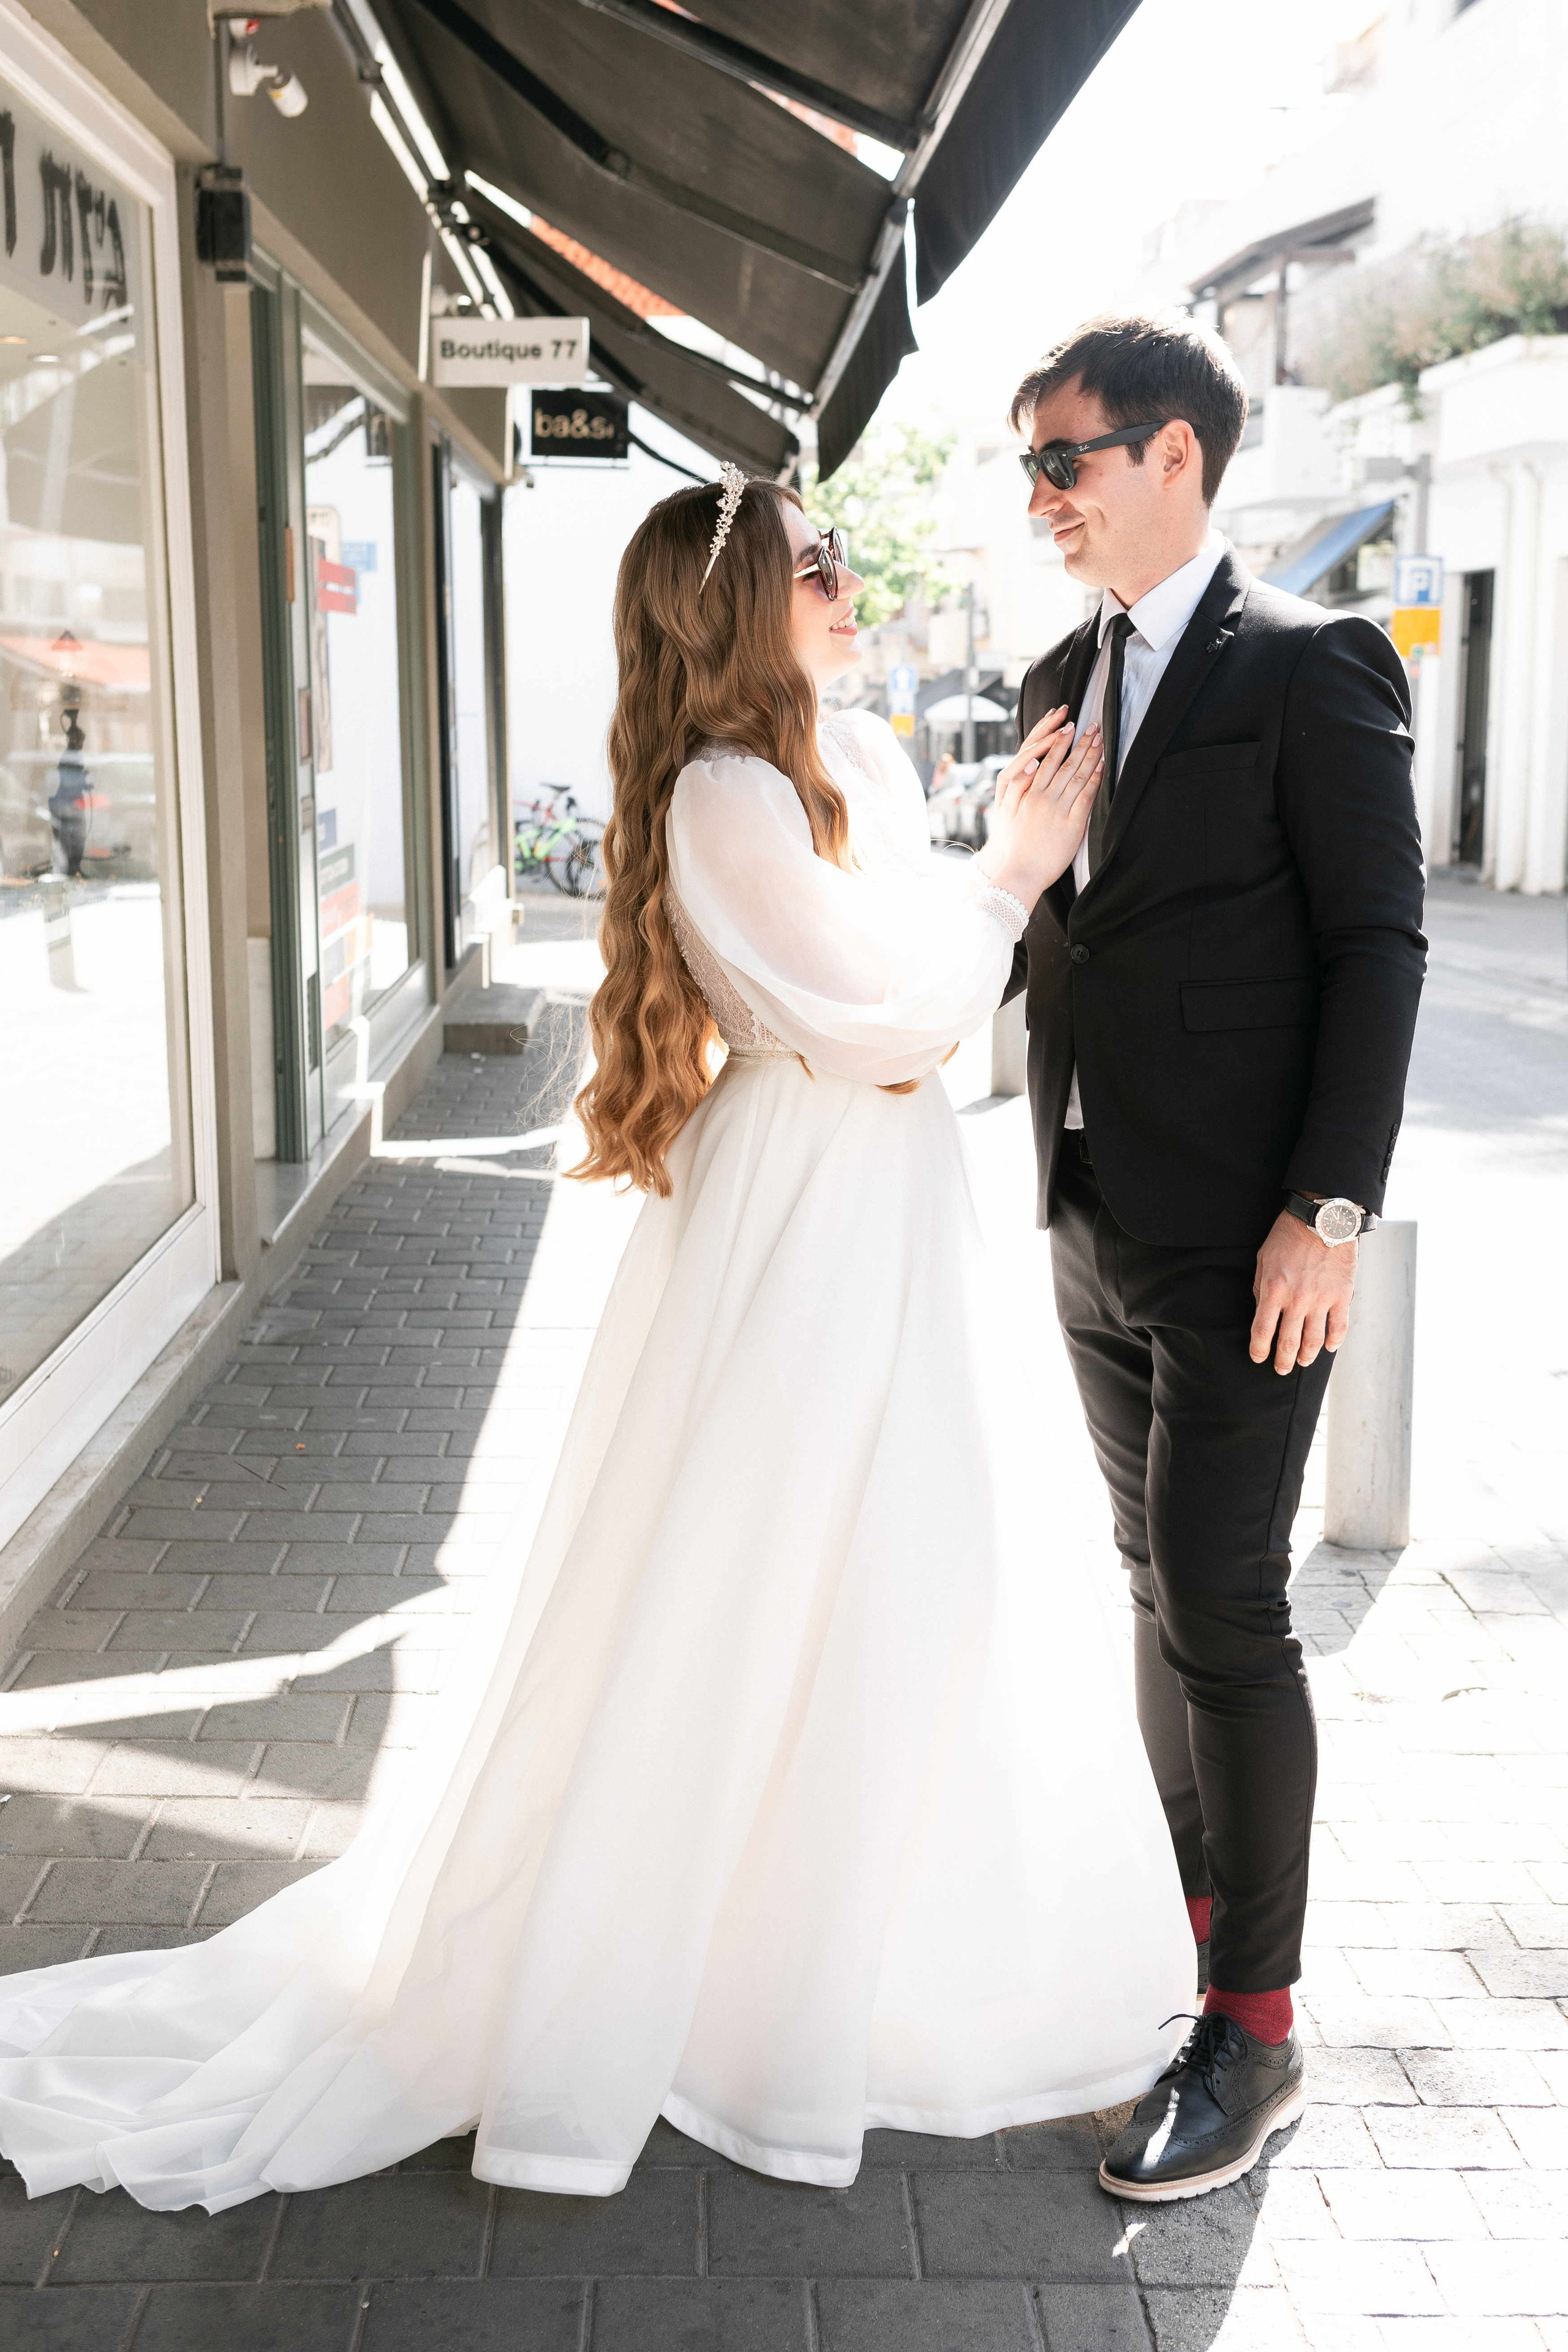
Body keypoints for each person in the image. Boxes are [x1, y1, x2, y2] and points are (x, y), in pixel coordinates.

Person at [0, 466, 1192, 2212]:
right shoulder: (721, 798)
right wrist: (1015, 872)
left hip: (880, 1218)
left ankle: (834, 1958)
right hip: (797, 1222)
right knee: (747, 1583)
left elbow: (911, 992)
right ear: (732, 612)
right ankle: (681, 1983)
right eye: (815, 562)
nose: (849, 577)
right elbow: (895, 1025)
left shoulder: (845, 761)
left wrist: (985, 874)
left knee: (896, 1580)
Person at [1006, 312, 1427, 2201]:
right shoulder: (1054, 674)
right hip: (1091, 1216)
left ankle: (1255, 2038)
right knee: (1147, 1587)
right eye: (1032, 466)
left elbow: (1378, 950)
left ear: (1175, 457)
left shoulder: (1310, 663)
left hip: (1256, 1241)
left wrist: (1329, 1212)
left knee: (1227, 1607)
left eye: (1064, 462)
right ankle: (1194, 1948)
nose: (1043, 501)